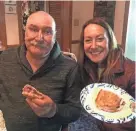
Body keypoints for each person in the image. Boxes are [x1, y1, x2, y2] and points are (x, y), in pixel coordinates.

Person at [0, 11, 82, 131]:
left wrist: (53, 110)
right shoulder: (4, 59)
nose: (39, 38)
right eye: (33, 29)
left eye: (47, 32)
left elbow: (75, 111)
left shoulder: (70, 67)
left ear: (54, 36)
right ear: (25, 32)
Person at [68, 18, 135, 131]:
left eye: (100, 39)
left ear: (110, 40)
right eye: (88, 40)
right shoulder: (82, 67)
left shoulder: (131, 69)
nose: (93, 46)